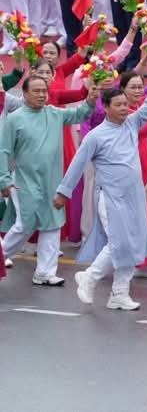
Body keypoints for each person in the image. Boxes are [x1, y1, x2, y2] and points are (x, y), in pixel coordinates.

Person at [55, 67, 147, 310]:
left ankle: (119, 293)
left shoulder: (131, 123)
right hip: (110, 197)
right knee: (119, 243)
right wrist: (63, 192)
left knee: (133, 243)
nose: (125, 108)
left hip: (134, 195)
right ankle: (90, 277)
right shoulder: (96, 136)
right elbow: (77, 164)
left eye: (126, 104)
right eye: (118, 105)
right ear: (106, 107)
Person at [0, 75, 98, 285]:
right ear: (24, 93)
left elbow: (79, 114)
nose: (42, 95)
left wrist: (90, 100)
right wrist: (4, 180)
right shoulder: (15, 119)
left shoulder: (54, 113)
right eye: (36, 91)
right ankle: (1, 258)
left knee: (52, 225)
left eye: (44, 91)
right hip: (24, 181)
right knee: (25, 224)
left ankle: (45, 272)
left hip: (52, 181)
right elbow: (4, 151)